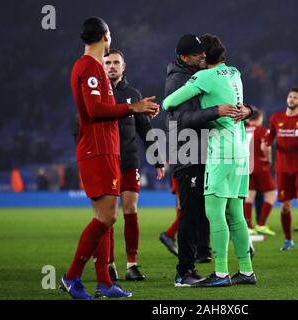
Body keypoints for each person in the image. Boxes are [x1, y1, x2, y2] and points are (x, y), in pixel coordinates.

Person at [60, 16, 159, 299]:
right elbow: (94, 110)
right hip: (97, 150)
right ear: (106, 35)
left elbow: (101, 107)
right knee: (107, 217)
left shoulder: (93, 68)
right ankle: (71, 276)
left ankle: (104, 282)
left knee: (105, 218)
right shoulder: (89, 67)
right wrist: (132, 107)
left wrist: (135, 109)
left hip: (105, 149)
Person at [163, 33, 256, 287]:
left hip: (218, 151)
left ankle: (221, 273)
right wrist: (245, 110)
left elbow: (168, 103)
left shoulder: (201, 76)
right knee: (234, 213)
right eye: (196, 54)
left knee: (213, 214)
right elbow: (180, 118)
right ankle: (246, 271)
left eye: (202, 53)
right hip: (238, 151)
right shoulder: (235, 72)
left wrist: (219, 110)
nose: (200, 56)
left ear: (206, 55)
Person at [103, 49, 165, 281]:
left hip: (129, 161)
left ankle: (132, 264)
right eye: (107, 62)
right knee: (108, 216)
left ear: (123, 66)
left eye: (116, 62)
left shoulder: (132, 93)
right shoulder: (97, 93)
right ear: (102, 66)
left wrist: (157, 158)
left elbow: (144, 129)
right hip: (105, 161)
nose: (111, 66)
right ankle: (109, 264)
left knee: (130, 210)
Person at [263, 88, 298, 251]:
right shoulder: (276, 118)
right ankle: (288, 240)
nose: (292, 99)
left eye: (295, 98)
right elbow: (268, 138)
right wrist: (264, 143)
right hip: (282, 169)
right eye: (290, 96)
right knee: (285, 206)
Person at [244, 108, 277, 236]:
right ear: (258, 119)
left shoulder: (243, 130)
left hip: (246, 166)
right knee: (271, 195)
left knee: (249, 196)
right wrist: (268, 159)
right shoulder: (262, 131)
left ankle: (247, 226)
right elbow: (265, 147)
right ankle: (261, 224)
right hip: (260, 166)